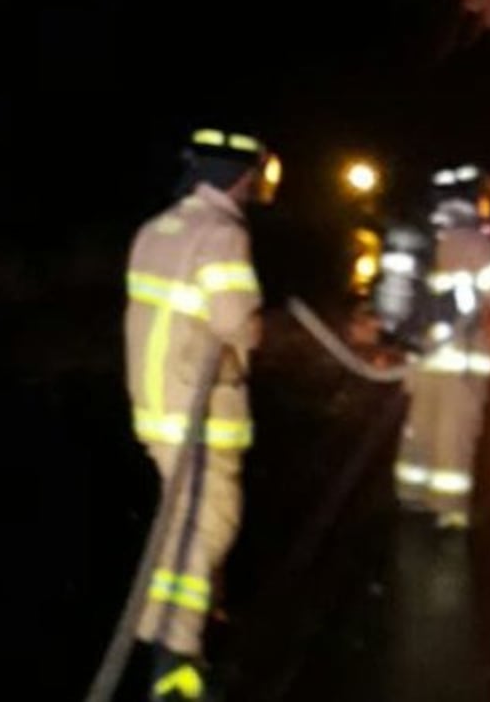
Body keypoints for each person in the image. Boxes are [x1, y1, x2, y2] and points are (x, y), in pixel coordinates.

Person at [124, 127, 279, 700]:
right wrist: (255, 333)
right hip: (199, 415)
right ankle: (176, 663)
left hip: (156, 406)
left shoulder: (156, 228)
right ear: (239, 176)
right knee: (206, 528)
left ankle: (166, 633)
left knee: (181, 527)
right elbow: (238, 323)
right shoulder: (221, 234)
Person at [394, 164, 490, 530]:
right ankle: (449, 513)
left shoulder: (425, 239)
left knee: (419, 428)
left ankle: (411, 495)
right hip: (460, 359)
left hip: (421, 359)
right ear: (473, 201)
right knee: (454, 435)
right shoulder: (475, 243)